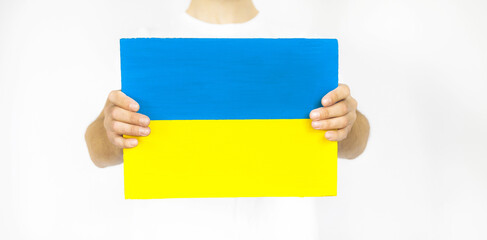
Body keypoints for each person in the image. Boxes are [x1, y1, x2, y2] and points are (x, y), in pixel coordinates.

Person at [84, 0, 370, 239]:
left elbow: (356, 141)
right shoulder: (145, 45)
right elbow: (97, 148)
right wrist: (112, 129)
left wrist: (347, 122)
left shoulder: (301, 47)